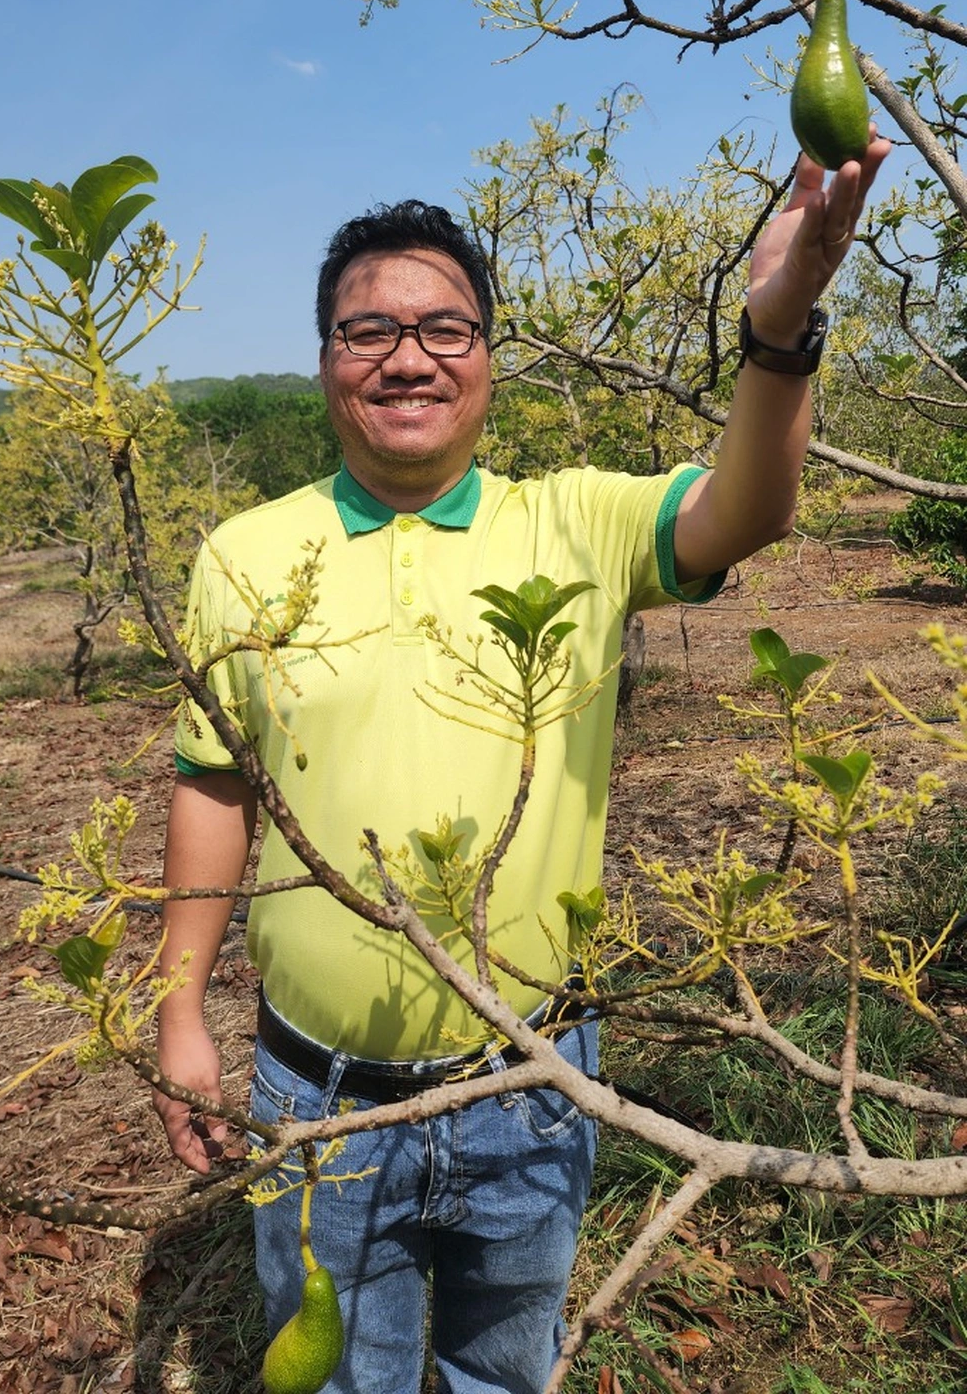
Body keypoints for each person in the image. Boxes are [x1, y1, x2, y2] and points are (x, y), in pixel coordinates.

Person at [153, 135, 889, 1394]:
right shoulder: (243, 555)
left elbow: (750, 508)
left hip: (532, 1084)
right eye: (365, 329)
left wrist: (779, 330)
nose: (406, 356)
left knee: (507, 1368)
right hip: (314, 1090)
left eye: (445, 326)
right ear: (325, 360)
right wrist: (176, 1002)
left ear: (490, 358)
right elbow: (218, 783)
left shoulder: (576, 522)